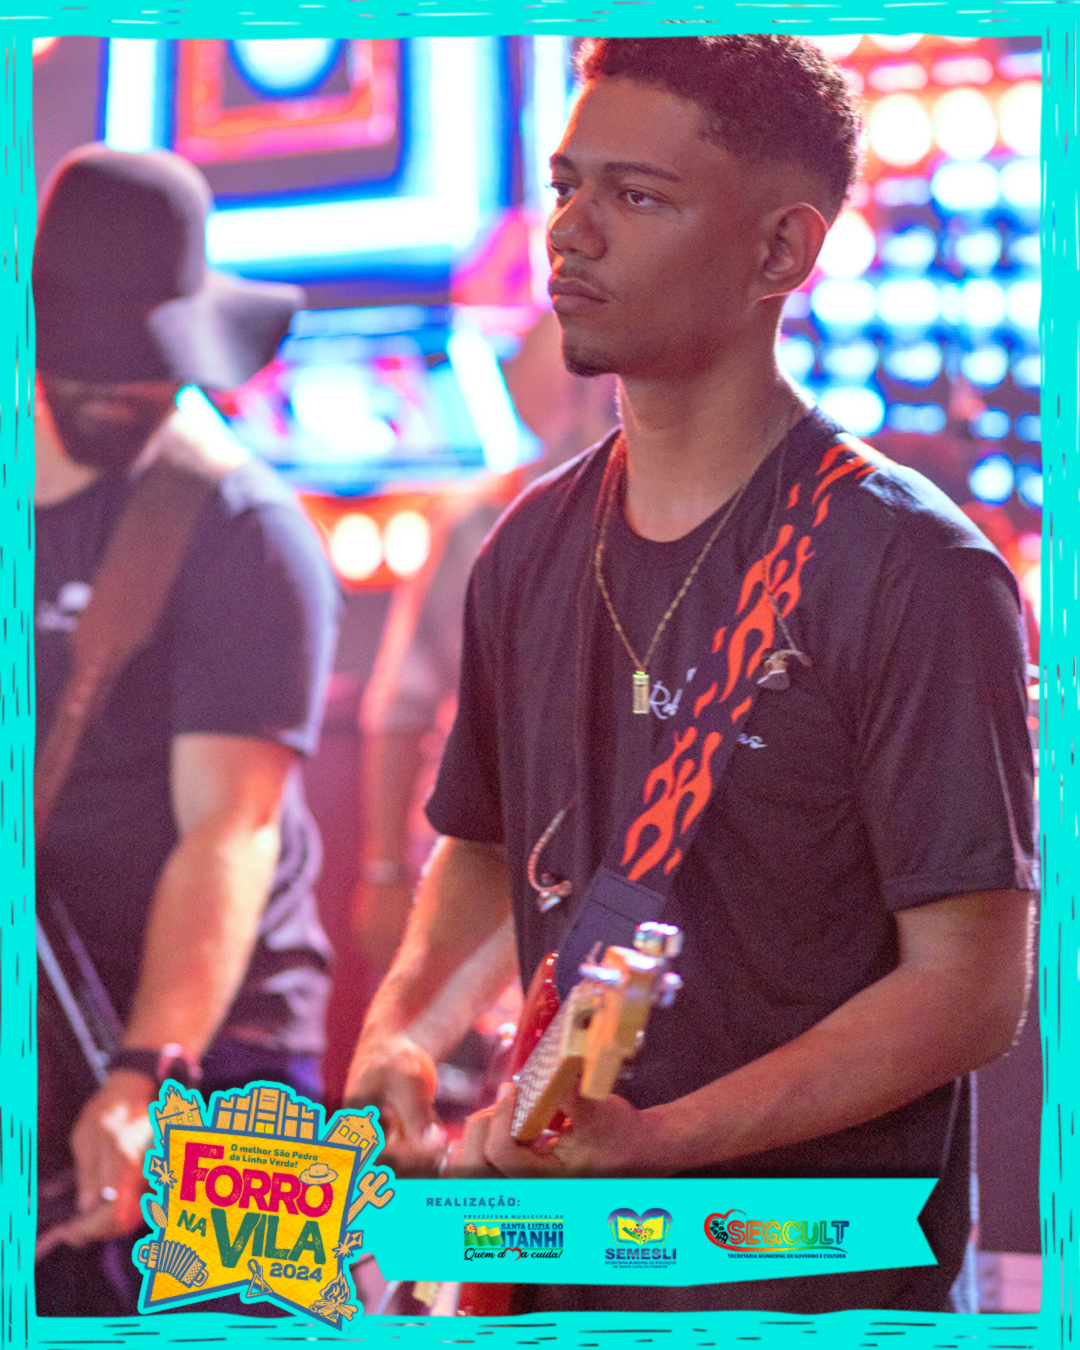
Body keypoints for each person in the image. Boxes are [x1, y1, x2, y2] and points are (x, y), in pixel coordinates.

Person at [343, 35, 1036, 1314]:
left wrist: (660, 1146)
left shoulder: (915, 569)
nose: (572, 232)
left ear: (780, 253)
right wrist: (405, 1030)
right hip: (558, 1269)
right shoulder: (527, 546)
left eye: (638, 196)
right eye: (567, 185)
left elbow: (969, 991)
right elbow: (491, 846)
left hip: (805, 1277)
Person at [33, 145, 340, 1316]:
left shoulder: (239, 525)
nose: (123, 394)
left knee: (248, 1326)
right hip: (44, 1026)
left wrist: (143, 1073)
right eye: (92, 369)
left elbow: (232, 830)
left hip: (228, 1050)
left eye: (149, 371)